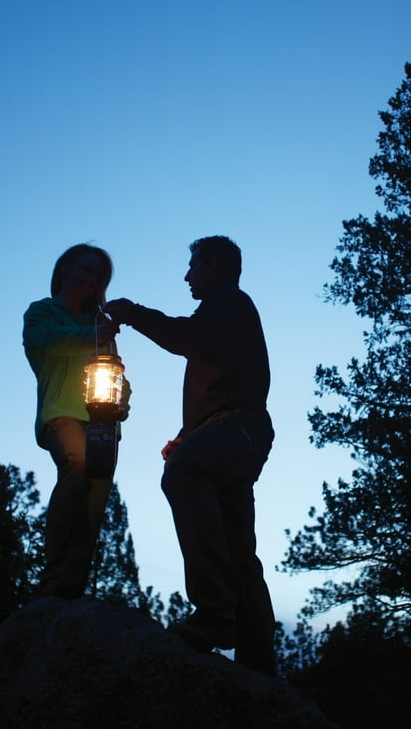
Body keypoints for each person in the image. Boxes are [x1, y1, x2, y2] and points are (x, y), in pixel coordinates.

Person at [105, 235, 276, 675]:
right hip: (239, 434)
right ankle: (258, 666)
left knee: (183, 473)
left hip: (237, 429)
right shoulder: (229, 313)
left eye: (194, 266)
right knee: (240, 547)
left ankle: (215, 615)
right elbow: (223, 379)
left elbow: (186, 337)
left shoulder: (228, 302)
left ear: (215, 266)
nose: (187, 276)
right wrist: (188, 435)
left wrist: (133, 314)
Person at [23, 243, 129, 599]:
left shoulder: (99, 326)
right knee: (76, 466)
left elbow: (116, 373)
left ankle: (72, 584)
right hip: (62, 415)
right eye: (84, 269)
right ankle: (54, 578)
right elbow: (48, 341)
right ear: (64, 269)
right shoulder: (42, 314)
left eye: (98, 275)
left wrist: (122, 402)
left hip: (103, 424)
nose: (91, 279)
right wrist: (92, 336)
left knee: (94, 502)